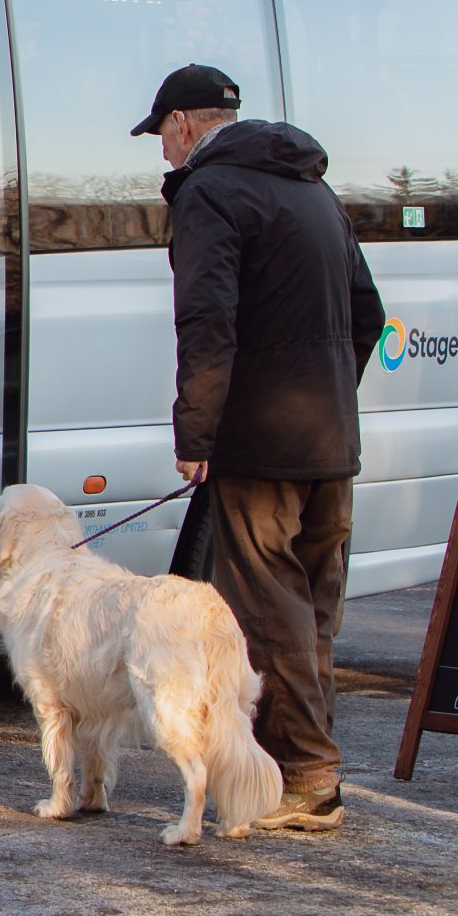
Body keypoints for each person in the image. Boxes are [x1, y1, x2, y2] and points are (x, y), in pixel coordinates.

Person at [134, 63, 382, 831]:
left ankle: (307, 779)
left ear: (182, 123)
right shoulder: (312, 187)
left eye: (163, 140)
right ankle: (300, 767)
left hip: (261, 444)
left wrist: (198, 431)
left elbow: (207, 322)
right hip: (328, 436)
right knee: (311, 609)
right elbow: (368, 312)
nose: (165, 157)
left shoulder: (210, 191)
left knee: (269, 610)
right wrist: (330, 396)